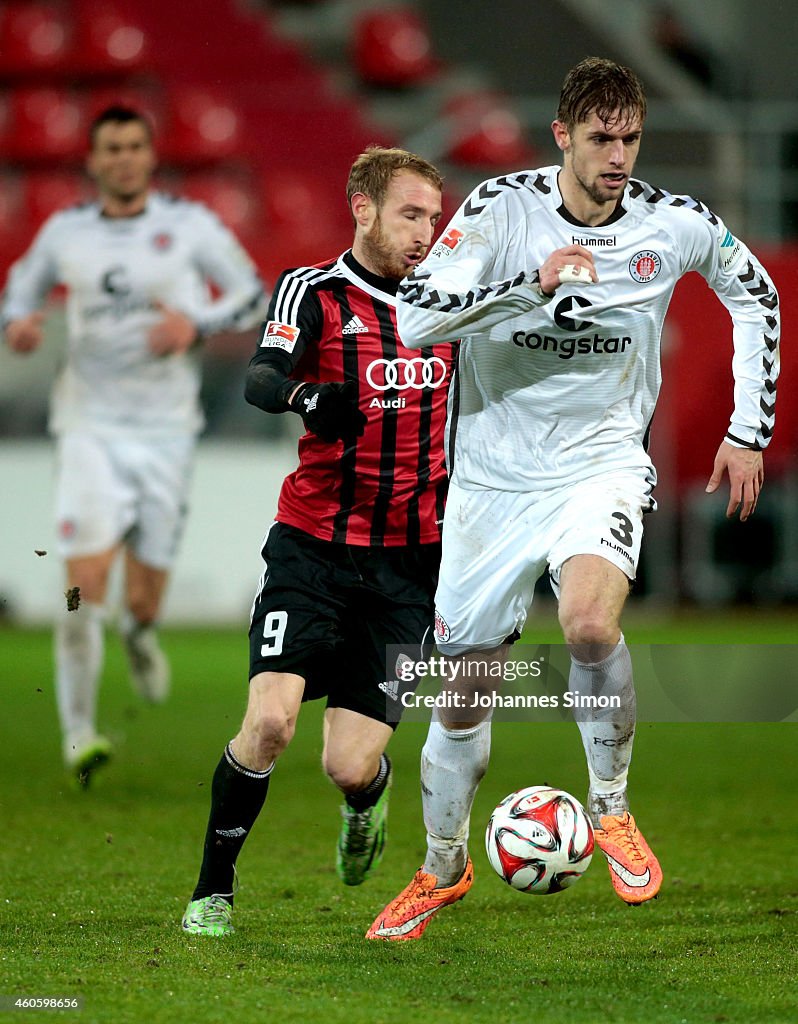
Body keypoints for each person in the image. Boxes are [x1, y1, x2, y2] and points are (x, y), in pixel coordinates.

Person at [366, 56, 780, 941]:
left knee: (590, 624)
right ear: (562, 135)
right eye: (600, 138)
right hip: (491, 478)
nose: (618, 154)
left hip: (600, 464)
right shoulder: (498, 209)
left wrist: (749, 428)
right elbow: (415, 318)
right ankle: (442, 866)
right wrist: (529, 285)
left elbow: (759, 294)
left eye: (630, 136)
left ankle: (611, 808)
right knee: (463, 692)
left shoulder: (675, 223)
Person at [181, 146, 456, 937]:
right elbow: (261, 377)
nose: (425, 233)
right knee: (269, 723)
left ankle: (367, 799)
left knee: (349, 763)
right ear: (362, 208)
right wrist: (309, 394)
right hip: (313, 548)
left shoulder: (450, 300)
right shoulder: (315, 291)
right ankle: (212, 892)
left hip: (412, 566)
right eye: (410, 213)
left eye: (433, 217)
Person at [1, 106, 267, 786]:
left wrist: (196, 324)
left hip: (166, 434)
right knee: (80, 590)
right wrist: (20, 322)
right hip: (88, 430)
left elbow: (251, 294)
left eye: (133, 146)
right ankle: (79, 732)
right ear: (92, 162)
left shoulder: (188, 226)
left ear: (150, 157)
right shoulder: (66, 231)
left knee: (143, 599)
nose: (122, 158)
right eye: (110, 148)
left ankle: (141, 633)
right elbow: (18, 291)